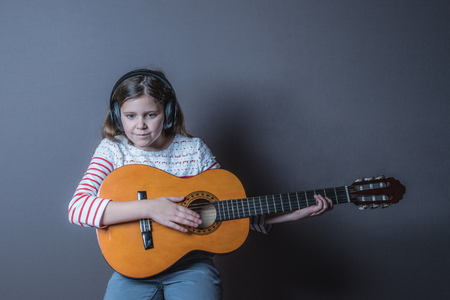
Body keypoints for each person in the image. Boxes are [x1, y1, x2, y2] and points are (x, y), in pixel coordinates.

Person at [68, 68, 333, 300]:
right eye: (130, 116)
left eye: (150, 115)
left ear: (168, 112)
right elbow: (78, 208)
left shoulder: (193, 150)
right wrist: (150, 208)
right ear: (117, 115)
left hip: (191, 268)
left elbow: (228, 213)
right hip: (132, 271)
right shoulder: (113, 150)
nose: (140, 126)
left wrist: (293, 213)